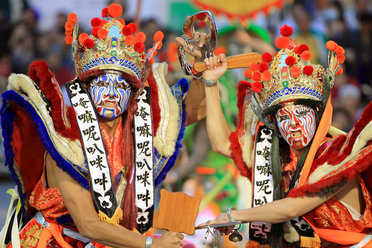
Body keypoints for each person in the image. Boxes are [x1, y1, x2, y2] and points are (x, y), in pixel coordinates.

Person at [0, 4, 204, 248]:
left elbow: (193, 112)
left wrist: (204, 76)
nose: (110, 93)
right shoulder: (66, 141)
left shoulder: (132, 132)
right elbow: (88, 224)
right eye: (103, 84)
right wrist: (151, 243)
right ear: (85, 88)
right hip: (54, 242)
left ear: (132, 95)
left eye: (120, 87)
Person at [200, 24, 372, 247]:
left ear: (317, 113)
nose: (294, 124)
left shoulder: (336, 156)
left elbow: (293, 207)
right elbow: (222, 144)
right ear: (275, 123)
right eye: (284, 116)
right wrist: (211, 82)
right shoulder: (282, 159)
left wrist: (235, 216)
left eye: (301, 113)